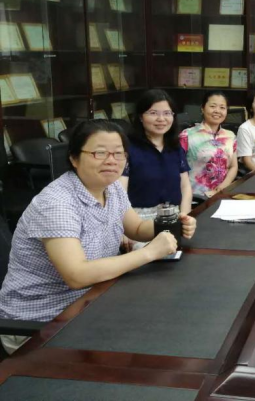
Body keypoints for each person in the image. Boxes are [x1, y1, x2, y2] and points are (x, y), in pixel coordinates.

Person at [0, 120, 196, 355]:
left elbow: (135, 228)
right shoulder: (57, 203)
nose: (111, 160)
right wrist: (149, 252)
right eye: (99, 153)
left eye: (119, 153)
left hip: (91, 303)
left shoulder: (112, 188)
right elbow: (77, 275)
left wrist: (172, 224)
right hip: (41, 323)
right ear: (74, 158)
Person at [120, 90, 192, 219]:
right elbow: (120, 193)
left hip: (174, 217)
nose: (161, 119)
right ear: (140, 117)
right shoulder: (127, 149)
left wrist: (185, 216)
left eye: (167, 113)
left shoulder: (175, 148)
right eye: (153, 113)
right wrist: (130, 226)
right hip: (137, 219)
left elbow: (185, 186)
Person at [179, 91, 238, 199]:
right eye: (212, 106)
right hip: (195, 197)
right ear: (202, 108)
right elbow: (178, 168)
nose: (217, 111)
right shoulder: (187, 135)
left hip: (221, 195)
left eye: (222, 107)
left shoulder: (230, 136)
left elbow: (233, 166)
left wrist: (223, 186)